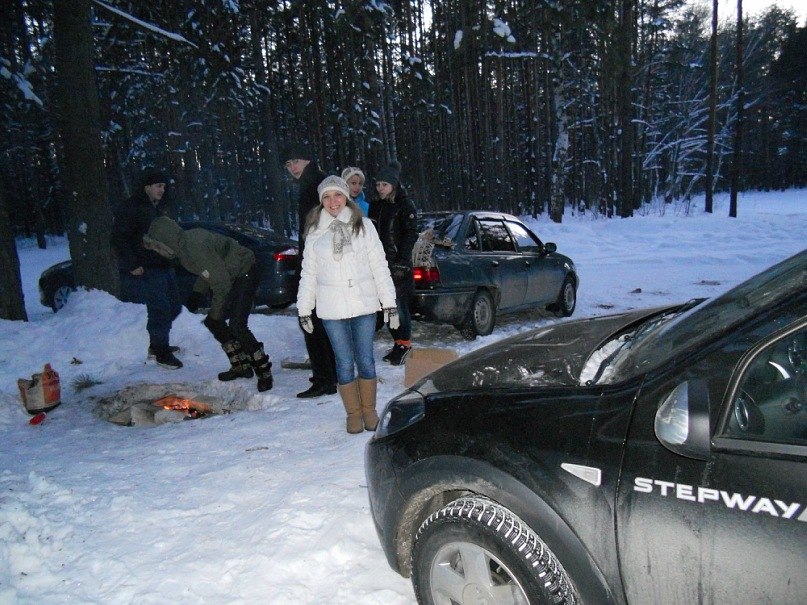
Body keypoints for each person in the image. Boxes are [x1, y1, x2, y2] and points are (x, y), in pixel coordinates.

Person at [297, 176, 398, 433]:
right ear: (321, 202)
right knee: (343, 363)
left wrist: (390, 304)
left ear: (347, 198)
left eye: (338, 195)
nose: (333, 202)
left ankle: (369, 410)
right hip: (331, 309)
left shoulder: (364, 227)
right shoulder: (314, 233)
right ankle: (353, 413)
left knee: (365, 360)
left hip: (363, 304)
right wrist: (304, 309)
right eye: (327, 197)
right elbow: (308, 274)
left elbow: (379, 266)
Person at [143, 217, 274, 392]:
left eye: (158, 246)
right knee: (215, 323)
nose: (158, 251)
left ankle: (264, 371)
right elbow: (207, 271)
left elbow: (221, 284)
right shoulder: (184, 249)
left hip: (244, 270)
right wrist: (198, 292)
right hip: (231, 274)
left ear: (165, 240)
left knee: (236, 325)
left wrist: (215, 312)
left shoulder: (192, 246)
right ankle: (241, 366)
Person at [111, 167, 182, 369]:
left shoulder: (155, 207)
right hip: (149, 267)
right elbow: (118, 238)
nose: (162, 190)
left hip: (164, 265)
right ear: (147, 187)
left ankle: (158, 344)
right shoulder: (131, 207)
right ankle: (161, 352)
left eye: (164, 186)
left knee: (174, 306)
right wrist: (132, 264)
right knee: (159, 309)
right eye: (159, 186)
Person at [282, 142, 338, 398]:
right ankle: (332, 376)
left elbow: (319, 231)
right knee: (320, 322)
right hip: (321, 264)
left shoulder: (316, 185)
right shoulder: (317, 182)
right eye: (288, 164)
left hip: (318, 266)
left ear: (307, 160)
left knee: (311, 320)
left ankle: (325, 379)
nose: (292, 167)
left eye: (296, 161)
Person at [370, 160, 419, 366]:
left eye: (385, 185)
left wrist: (401, 262)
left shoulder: (405, 204)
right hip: (379, 264)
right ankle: (398, 343)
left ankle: (404, 344)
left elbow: (410, 234)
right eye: (378, 184)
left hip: (398, 265)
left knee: (398, 307)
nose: (381, 188)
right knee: (386, 308)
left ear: (394, 185)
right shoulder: (376, 205)